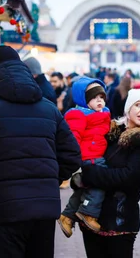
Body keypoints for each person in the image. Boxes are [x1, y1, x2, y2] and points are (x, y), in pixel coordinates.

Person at [0, 46, 81, 258]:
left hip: (0, 212)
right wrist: (46, 181)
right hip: (43, 210)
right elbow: (72, 155)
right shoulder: (48, 108)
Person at [74, 89, 140, 257]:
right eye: (139, 105)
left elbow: (128, 178)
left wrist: (89, 175)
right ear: (128, 108)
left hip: (120, 221)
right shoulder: (109, 133)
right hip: (92, 219)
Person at [59, 77, 111, 236]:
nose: (100, 101)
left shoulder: (103, 113)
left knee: (84, 188)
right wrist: (74, 159)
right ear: (84, 99)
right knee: (100, 182)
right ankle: (88, 212)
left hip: (96, 153)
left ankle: (67, 216)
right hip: (89, 155)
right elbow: (73, 137)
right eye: (95, 98)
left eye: (102, 97)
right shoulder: (78, 114)